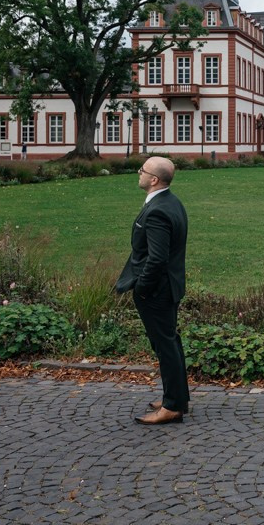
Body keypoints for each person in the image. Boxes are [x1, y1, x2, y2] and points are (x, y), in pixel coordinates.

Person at [115, 156, 190, 424]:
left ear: (154, 179)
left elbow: (157, 258)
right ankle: (177, 396)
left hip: (157, 289)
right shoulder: (172, 201)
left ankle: (172, 406)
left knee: (165, 344)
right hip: (169, 285)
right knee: (169, 341)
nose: (139, 172)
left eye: (143, 170)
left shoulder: (158, 210)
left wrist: (143, 288)